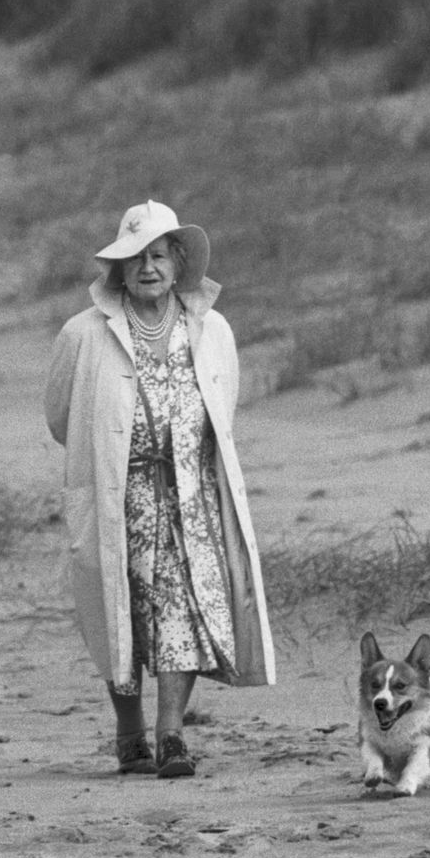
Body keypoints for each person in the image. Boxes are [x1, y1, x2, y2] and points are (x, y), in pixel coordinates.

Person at [44, 200, 275, 778]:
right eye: (135, 257)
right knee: (119, 613)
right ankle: (129, 731)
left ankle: (171, 735)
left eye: (158, 255)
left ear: (178, 263)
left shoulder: (213, 329)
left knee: (182, 610)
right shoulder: (83, 334)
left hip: (190, 496)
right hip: (119, 495)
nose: (148, 267)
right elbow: (60, 417)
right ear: (118, 269)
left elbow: (225, 408)